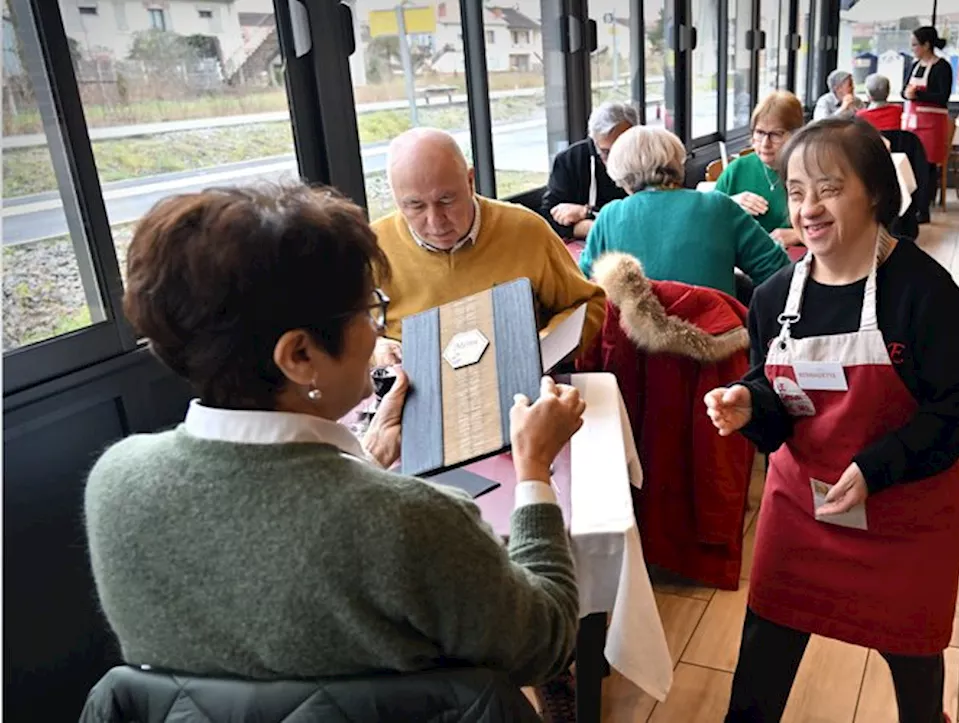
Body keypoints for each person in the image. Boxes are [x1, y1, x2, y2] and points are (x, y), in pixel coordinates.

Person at [85, 184, 585, 690]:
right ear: (299, 355)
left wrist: (368, 458)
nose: (376, 331)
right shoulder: (413, 520)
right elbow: (545, 644)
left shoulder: (115, 481)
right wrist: (534, 470)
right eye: (368, 310)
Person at [705, 118, 959, 723]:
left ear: (877, 194)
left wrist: (878, 465)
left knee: (917, 686)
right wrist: (750, 404)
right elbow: (772, 395)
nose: (807, 208)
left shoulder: (925, 293)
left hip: (907, 521)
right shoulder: (773, 296)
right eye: (797, 191)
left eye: (828, 188)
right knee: (758, 677)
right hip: (801, 512)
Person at [371, 128, 605, 366]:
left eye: (446, 200)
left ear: (470, 181)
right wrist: (375, 349)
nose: (435, 221)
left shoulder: (525, 230)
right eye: (415, 206)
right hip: (414, 391)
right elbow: (344, 334)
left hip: (520, 386)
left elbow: (587, 304)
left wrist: (545, 345)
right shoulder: (373, 247)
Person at [577, 126, 790, 297]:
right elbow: (778, 271)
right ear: (679, 163)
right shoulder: (719, 206)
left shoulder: (609, 216)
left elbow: (581, 284)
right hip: (719, 343)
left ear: (621, 175)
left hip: (634, 347)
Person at [715, 91, 805, 248]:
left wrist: (798, 235)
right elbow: (706, 218)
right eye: (760, 133)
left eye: (776, 134)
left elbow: (841, 225)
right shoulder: (737, 169)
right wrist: (730, 204)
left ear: (795, 136)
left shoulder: (809, 170)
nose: (765, 143)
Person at [540, 101, 638, 239]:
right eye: (605, 152)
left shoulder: (647, 159)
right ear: (594, 141)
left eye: (620, 149)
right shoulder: (569, 160)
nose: (613, 160)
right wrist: (597, 228)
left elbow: (642, 219)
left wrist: (585, 213)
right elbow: (549, 219)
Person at [904, 26, 954, 224]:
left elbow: (943, 96)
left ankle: (924, 209)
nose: (913, 49)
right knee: (912, 164)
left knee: (927, 165)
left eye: (916, 45)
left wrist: (919, 95)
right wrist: (907, 94)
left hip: (932, 123)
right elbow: (904, 89)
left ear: (926, 45)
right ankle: (911, 206)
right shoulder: (914, 65)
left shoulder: (943, 67)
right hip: (913, 121)